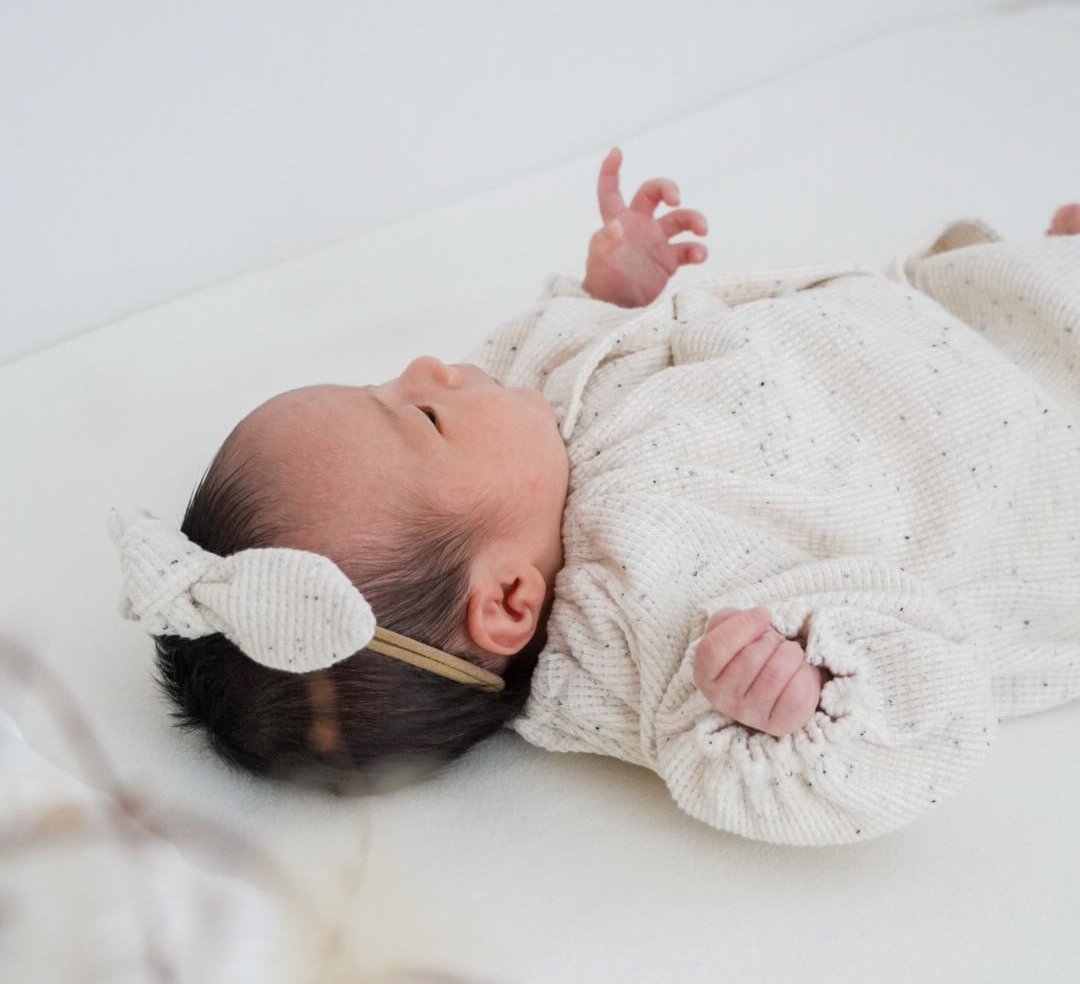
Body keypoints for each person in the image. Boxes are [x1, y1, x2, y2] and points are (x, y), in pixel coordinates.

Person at [110, 154, 1080, 845]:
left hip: (914, 333)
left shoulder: (522, 426)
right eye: (424, 416)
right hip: (1016, 465)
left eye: (385, 381)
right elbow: (869, 763)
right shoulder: (642, 638)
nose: (429, 366)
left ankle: (1035, 274)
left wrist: (611, 294)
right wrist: (795, 698)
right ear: (507, 600)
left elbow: (571, 348)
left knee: (1000, 285)